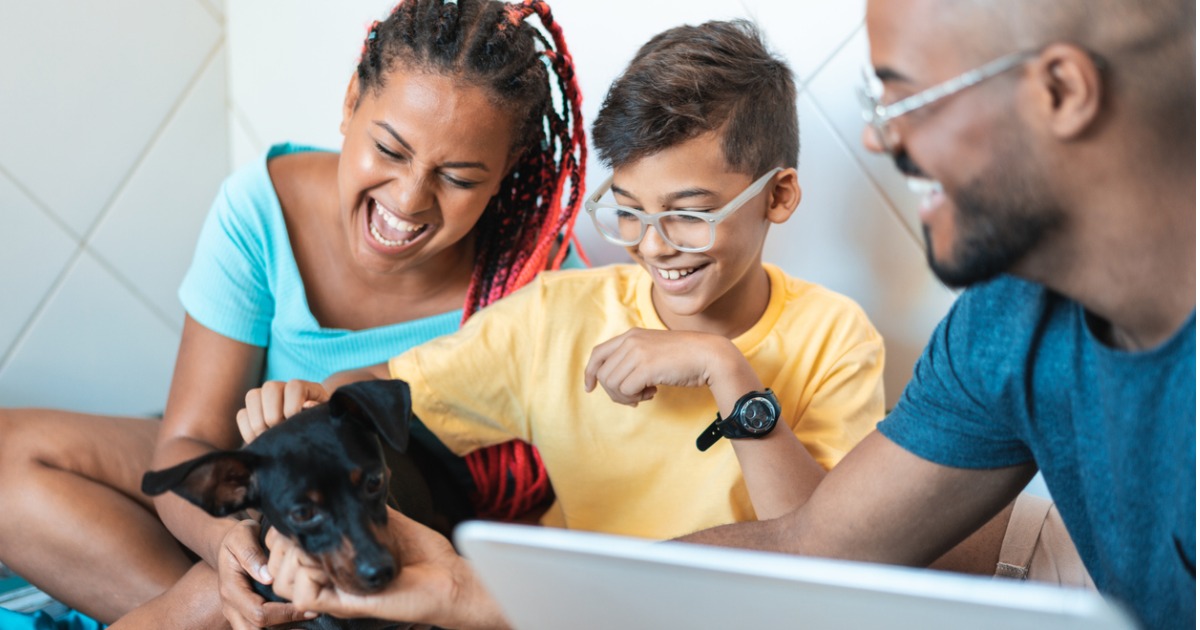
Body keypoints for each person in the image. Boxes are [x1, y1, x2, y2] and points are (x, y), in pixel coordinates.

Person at [235, 19, 1081, 629]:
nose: (653, 247)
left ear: (779, 196)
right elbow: (381, 396)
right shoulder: (555, 319)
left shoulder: (832, 333)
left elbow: (827, 544)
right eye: (628, 211)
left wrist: (726, 371)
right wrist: (306, 404)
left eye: (688, 214)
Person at [0, 0, 586, 628]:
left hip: (401, 521)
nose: (409, 199)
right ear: (350, 102)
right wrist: (229, 550)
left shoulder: (544, 289)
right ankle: (238, 604)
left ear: (506, 173)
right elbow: (184, 445)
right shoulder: (264, 207)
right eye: (390, 149)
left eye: (460, 177)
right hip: (251, 485)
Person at [678, 1, 1194, 629]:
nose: (878, 136)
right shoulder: (1005, 318)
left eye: (904, 98)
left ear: (1060, 90)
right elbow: (814, 548)